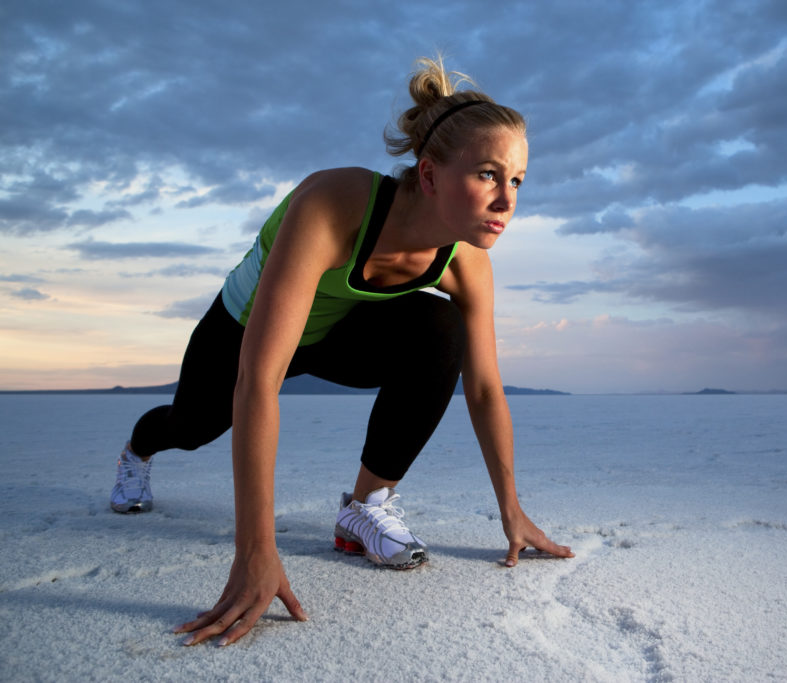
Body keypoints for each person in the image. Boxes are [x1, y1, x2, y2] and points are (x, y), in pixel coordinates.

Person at [108, 55, 574, 647]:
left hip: (337, 337)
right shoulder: (336, 202)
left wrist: (511, 510)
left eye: (517, 180)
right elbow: (259, 378)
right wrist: (256, 552)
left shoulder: (467, 262)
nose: (507, 199)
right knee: (192, 424)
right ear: (429, 175)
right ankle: (136, 450)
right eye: (487, 174)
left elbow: (482, 389)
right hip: (244, 330)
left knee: (438, 324)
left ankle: (366, 506)